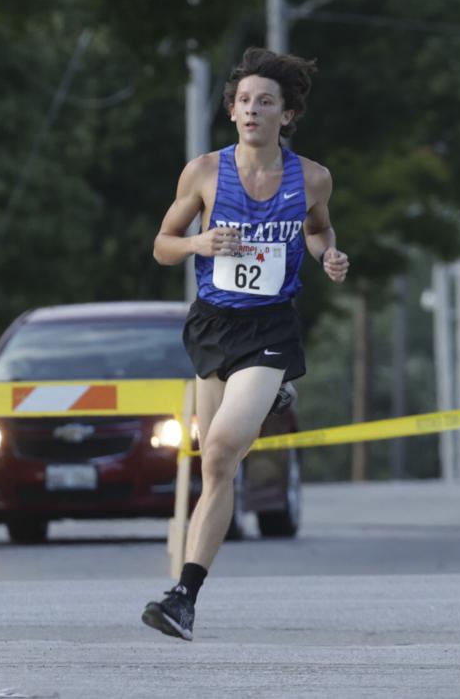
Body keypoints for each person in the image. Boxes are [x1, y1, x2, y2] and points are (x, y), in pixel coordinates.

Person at [144, 47, 348, 641]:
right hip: (213, 325)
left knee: (220, 452)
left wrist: (327, 254)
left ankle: (182, 596)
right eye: (243, 101)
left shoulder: (312, 178)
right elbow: (162, 244)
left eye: (265, 101)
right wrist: (198, 244)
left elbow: (318, 228)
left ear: (287, 114)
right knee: (216, 469)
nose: (253, 110)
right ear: (231, 111)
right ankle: (186, 601)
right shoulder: (204, 172)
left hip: (270, 327)